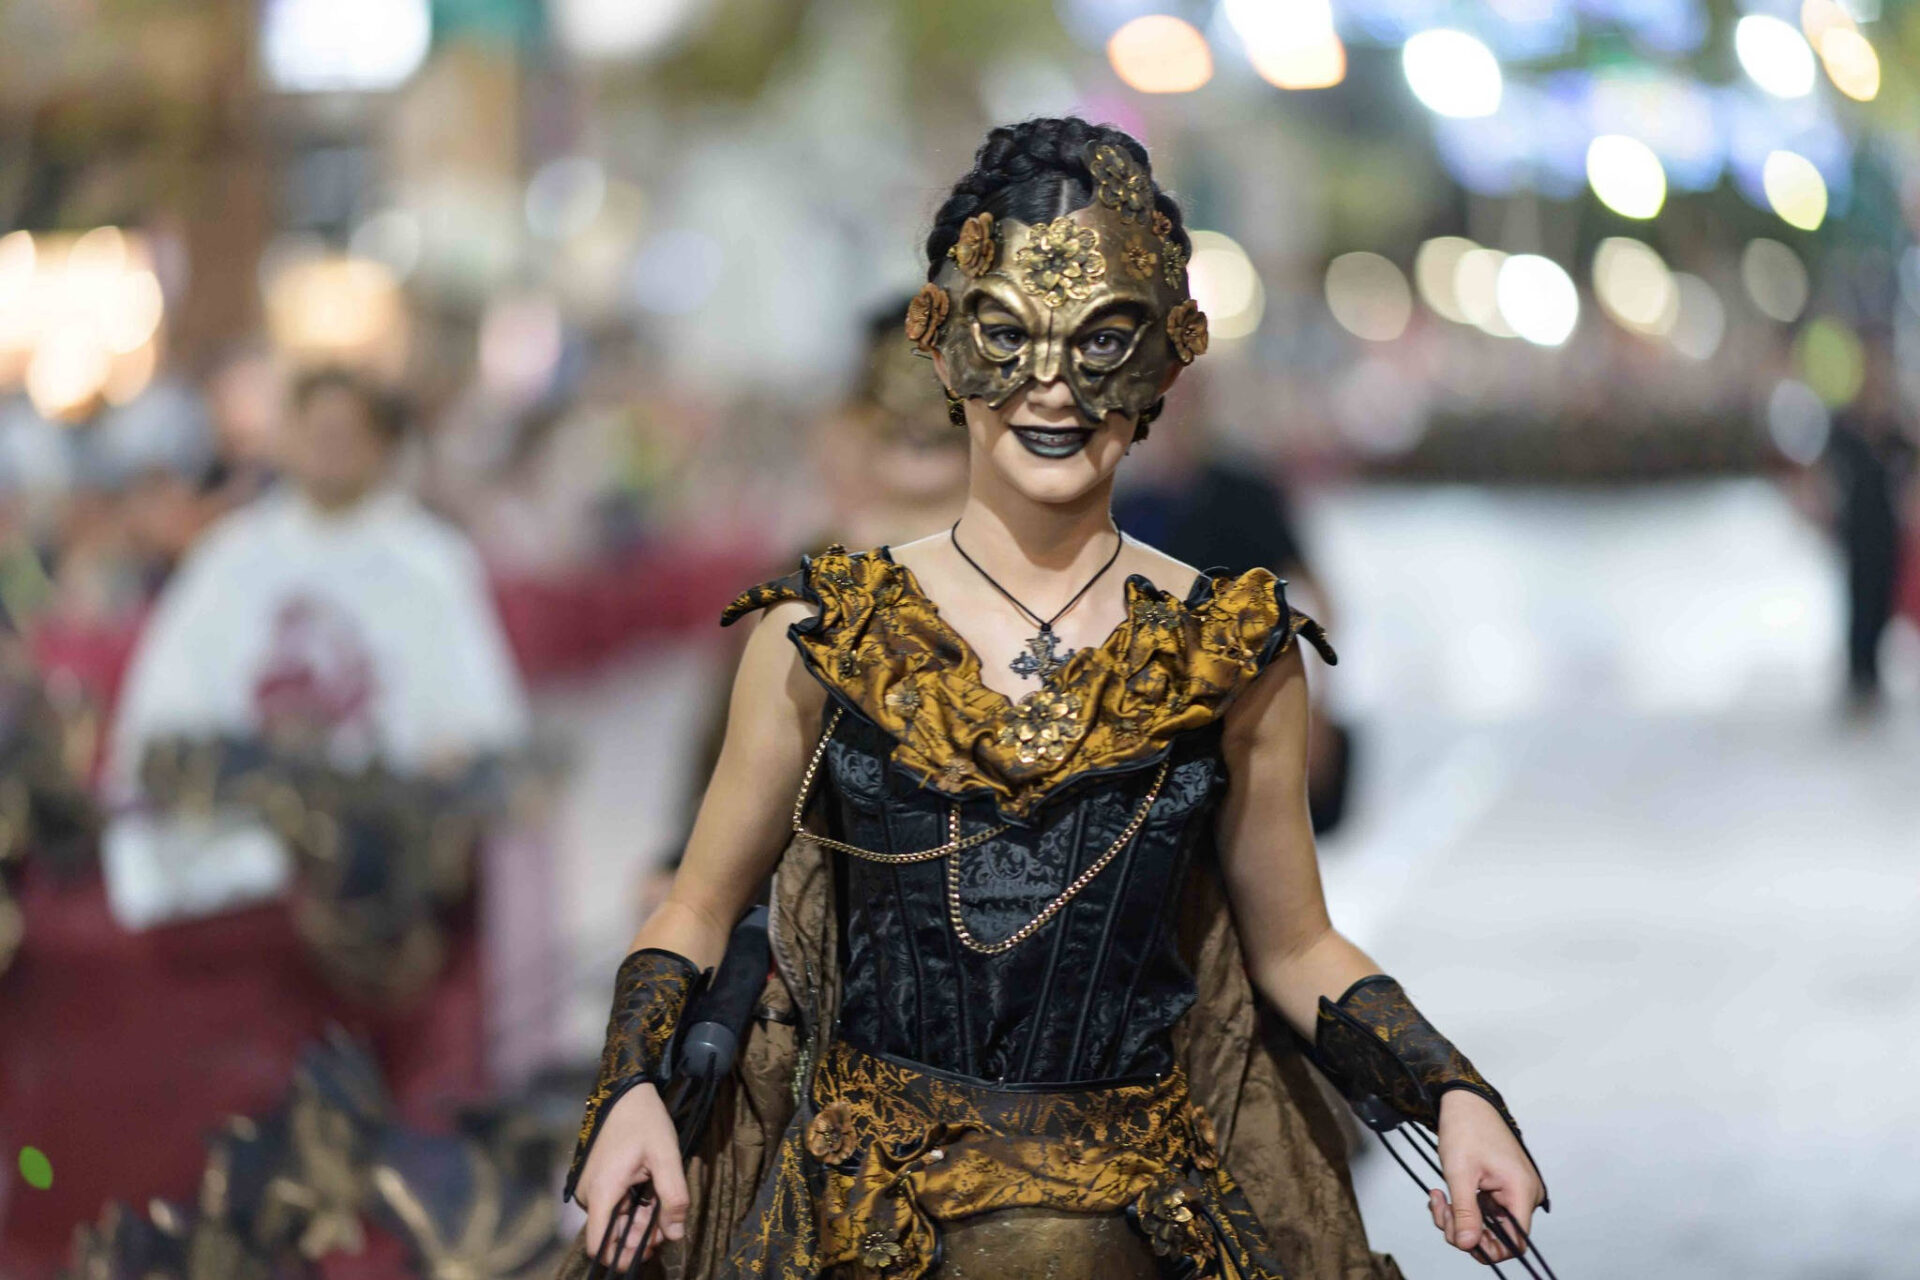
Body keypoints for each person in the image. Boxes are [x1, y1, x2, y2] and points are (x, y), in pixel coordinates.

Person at [562, 119, 1545, 1279]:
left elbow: (1295, 946)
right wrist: (628, 1092)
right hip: (860, 1230)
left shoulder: (1232, 651)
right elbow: (695, 904)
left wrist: (1454, 1093)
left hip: (1141, 1231)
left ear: (1168, 360)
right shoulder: (818, 636)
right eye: (1009, 335)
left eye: (1104, 342)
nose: (1054, 387)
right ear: (944, 344)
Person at [103, 366, 528, 928]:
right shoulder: (232, 553)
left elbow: (475, 719)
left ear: (381, 444)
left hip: (378, 823)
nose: (330, 451)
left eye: (346, 435)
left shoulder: (431, 563)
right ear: (288, 439)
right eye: (316, 434)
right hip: (249, 802)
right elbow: (169, 700)